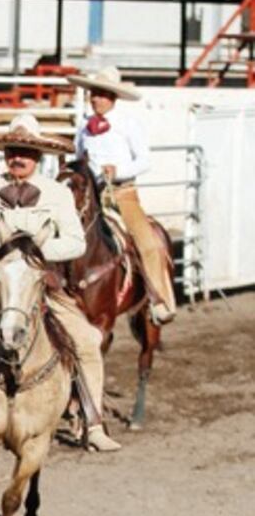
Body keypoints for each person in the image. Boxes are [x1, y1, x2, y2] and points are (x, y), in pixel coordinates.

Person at [0, 114, 122, 454]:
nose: (18, 157)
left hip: (40, 285)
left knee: (88, 339)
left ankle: (94, 422)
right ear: (5, 153)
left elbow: (76, 242)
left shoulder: (57, 193)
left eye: (26, 152)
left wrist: (35, 253)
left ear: (38, 157)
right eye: (13, 150)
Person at [68, 66, 175, 324]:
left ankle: (159, 299)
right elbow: (78, 157)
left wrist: (118, 171)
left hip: (122, 193)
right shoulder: (84, 127)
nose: (96, 99)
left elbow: (145, 161)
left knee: (147, 242)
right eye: (94, 94)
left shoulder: (128, 125)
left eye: (102, 94)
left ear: (113, 97)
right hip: (89, 195)